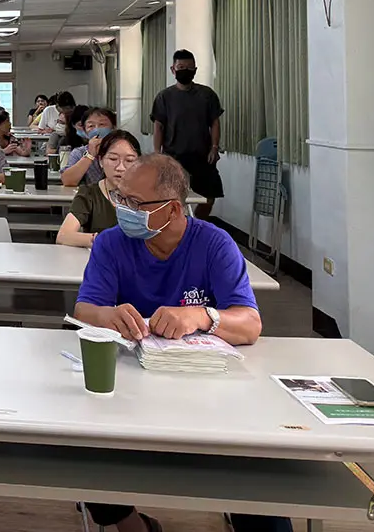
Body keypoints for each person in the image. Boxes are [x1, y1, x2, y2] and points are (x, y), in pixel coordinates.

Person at [74, 154, 273, 532]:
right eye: (120, 198)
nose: (124, 210)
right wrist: (107, 315)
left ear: (173, 209)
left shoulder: (214, 243)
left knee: (256, 465)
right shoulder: (112, 243)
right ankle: (133, 525)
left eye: (136, 203)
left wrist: (202, 316)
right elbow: (85, 309)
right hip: (132, 384)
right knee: (87, 444)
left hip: (209, 389)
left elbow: (250, 324)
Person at [152, 49, 223, 219]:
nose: (186, 71)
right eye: (181, 67)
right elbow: (158, 126)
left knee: (208, 198)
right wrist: (157, 154)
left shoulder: (207, 95)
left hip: (203, 157)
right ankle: (178, 225)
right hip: (174, 157)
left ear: (195, 70)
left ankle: (195, 223)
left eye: (190, 68)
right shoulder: (164, 97)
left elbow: (214, 122)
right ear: (173, 69)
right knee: (173, 198)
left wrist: (214, 147)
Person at [57, 130, 141, 248]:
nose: (120, 167)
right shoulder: (90, 193)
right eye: (113, 159)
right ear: (101, 161)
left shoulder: (148, 195)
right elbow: (64, 235)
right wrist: (106, 241)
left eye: (129, 160)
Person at [60, 107, 118, 187]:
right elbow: (68, 181)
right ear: (85, 131)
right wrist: (90, 155)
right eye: (91, 126)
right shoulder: (79, 153)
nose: (97, 129)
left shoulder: (123, 150)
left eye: (102, 124)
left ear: (113, 128)